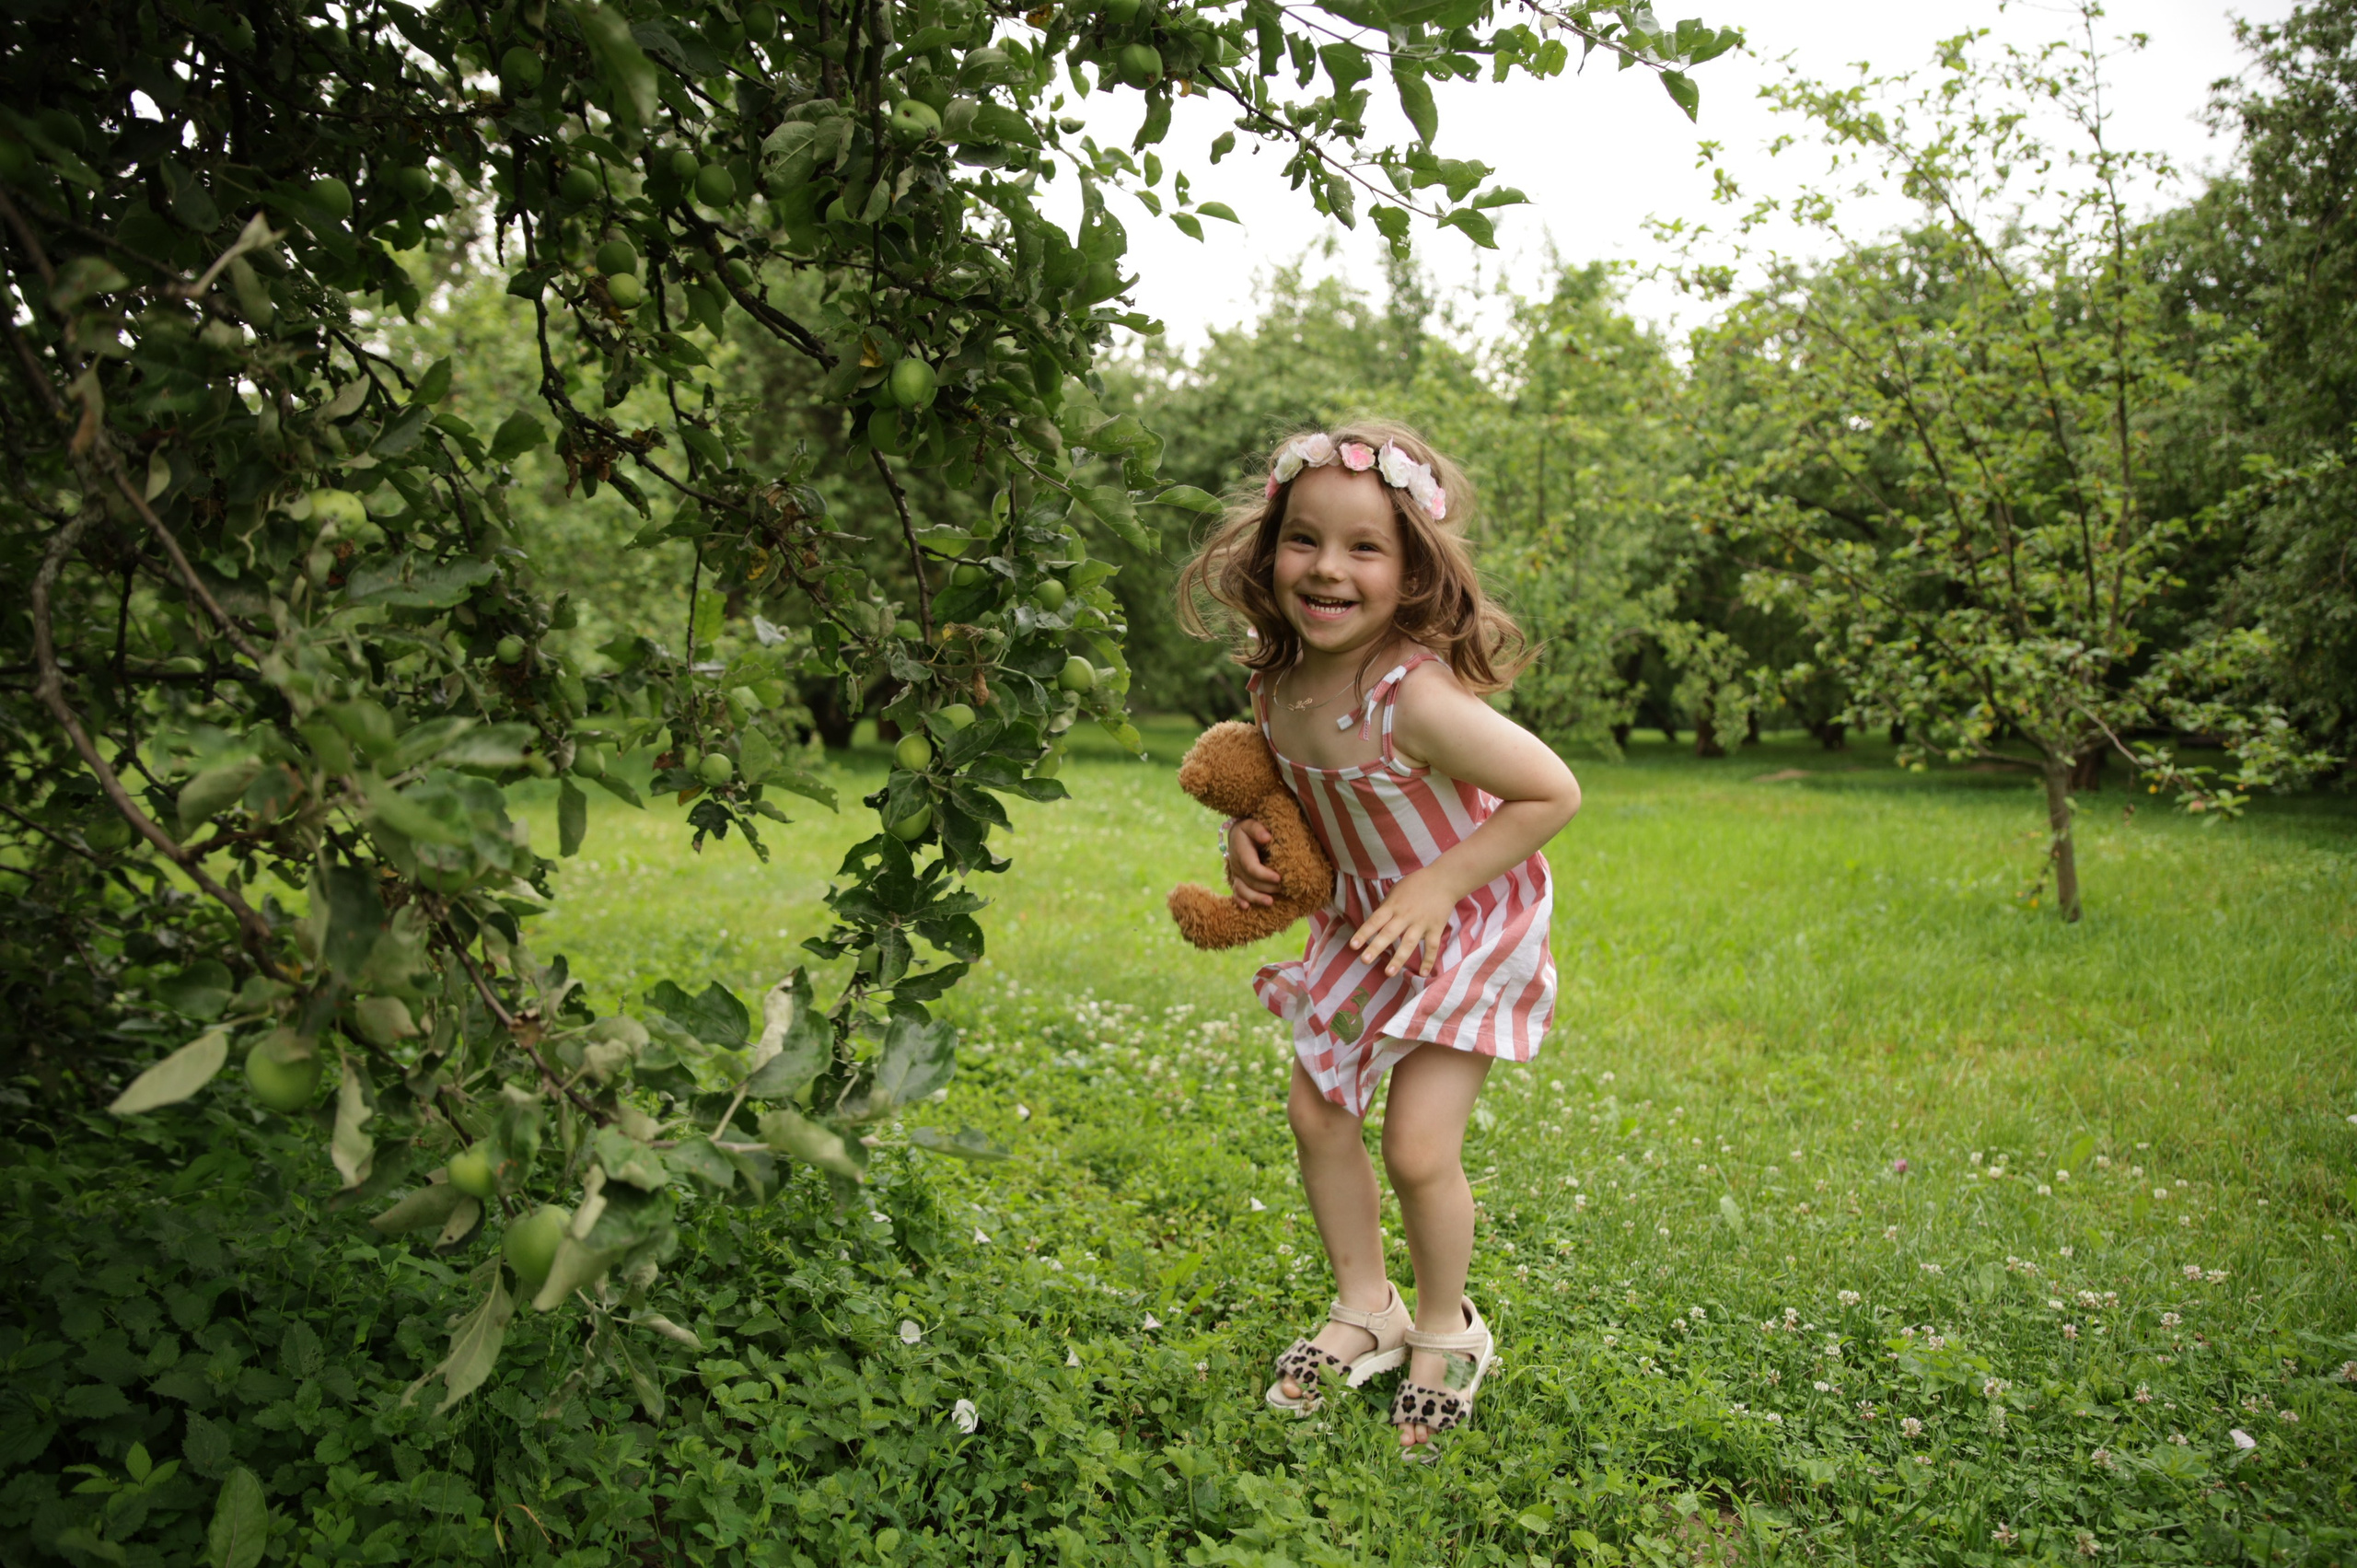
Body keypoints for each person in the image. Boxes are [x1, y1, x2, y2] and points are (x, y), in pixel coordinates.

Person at [1176, 421, 1582, 1452]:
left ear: (1410, 571)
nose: (1326, 568)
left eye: (1364, 547)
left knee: (1415, 1144)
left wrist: (1442, 885)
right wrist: (1246, 835)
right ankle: (1368, 1304)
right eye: (1303, 539)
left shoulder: (1418, 697)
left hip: (1462, 926)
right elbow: (1281, 789)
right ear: (1270, 553)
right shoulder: (1277, 685)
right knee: (1317, 1116)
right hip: (1362, 923)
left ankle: (1449, 1326)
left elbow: (1549, 791)